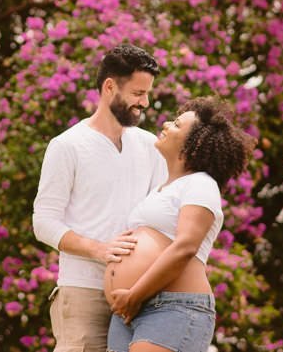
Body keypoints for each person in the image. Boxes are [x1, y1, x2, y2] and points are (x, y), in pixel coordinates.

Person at [33, 43, 169, 352]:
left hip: (138, 295)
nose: (145, 102)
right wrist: (99, 250)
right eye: (137, 93)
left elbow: (161, 214)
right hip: (84, 291)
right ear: (109, 87)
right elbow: (43, 221)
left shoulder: (149, 146)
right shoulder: (67, 145)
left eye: (147, 94)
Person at [104, 96, 253, 352]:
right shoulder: (163, 188)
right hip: (129, 310)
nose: (165, 125)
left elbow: (185, 246)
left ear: (194, 144)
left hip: (172, 306)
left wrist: (134, 294)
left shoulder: (201, 184)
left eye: (176, 124)